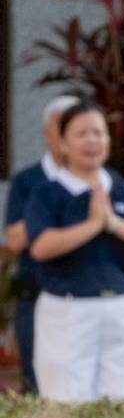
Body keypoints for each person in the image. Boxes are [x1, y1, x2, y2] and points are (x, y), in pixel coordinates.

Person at [22, 104, 124, 404]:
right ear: (62, 144)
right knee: (65, 406)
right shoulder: (47, 193)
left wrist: (113, 223)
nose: (92, 141)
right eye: (82, 134)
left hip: (121, 307)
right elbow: (40, 247)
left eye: (99, 133)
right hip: (67, 311)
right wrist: (91, 225)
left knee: (120, 404)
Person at [4, 95, 81, 394]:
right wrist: (55, 207)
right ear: (47, 134)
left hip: (86, 297)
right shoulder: (27, 181)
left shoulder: (102, 181)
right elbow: (14, 239)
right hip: (36, 296)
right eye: (62, 127)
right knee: (36, 385)